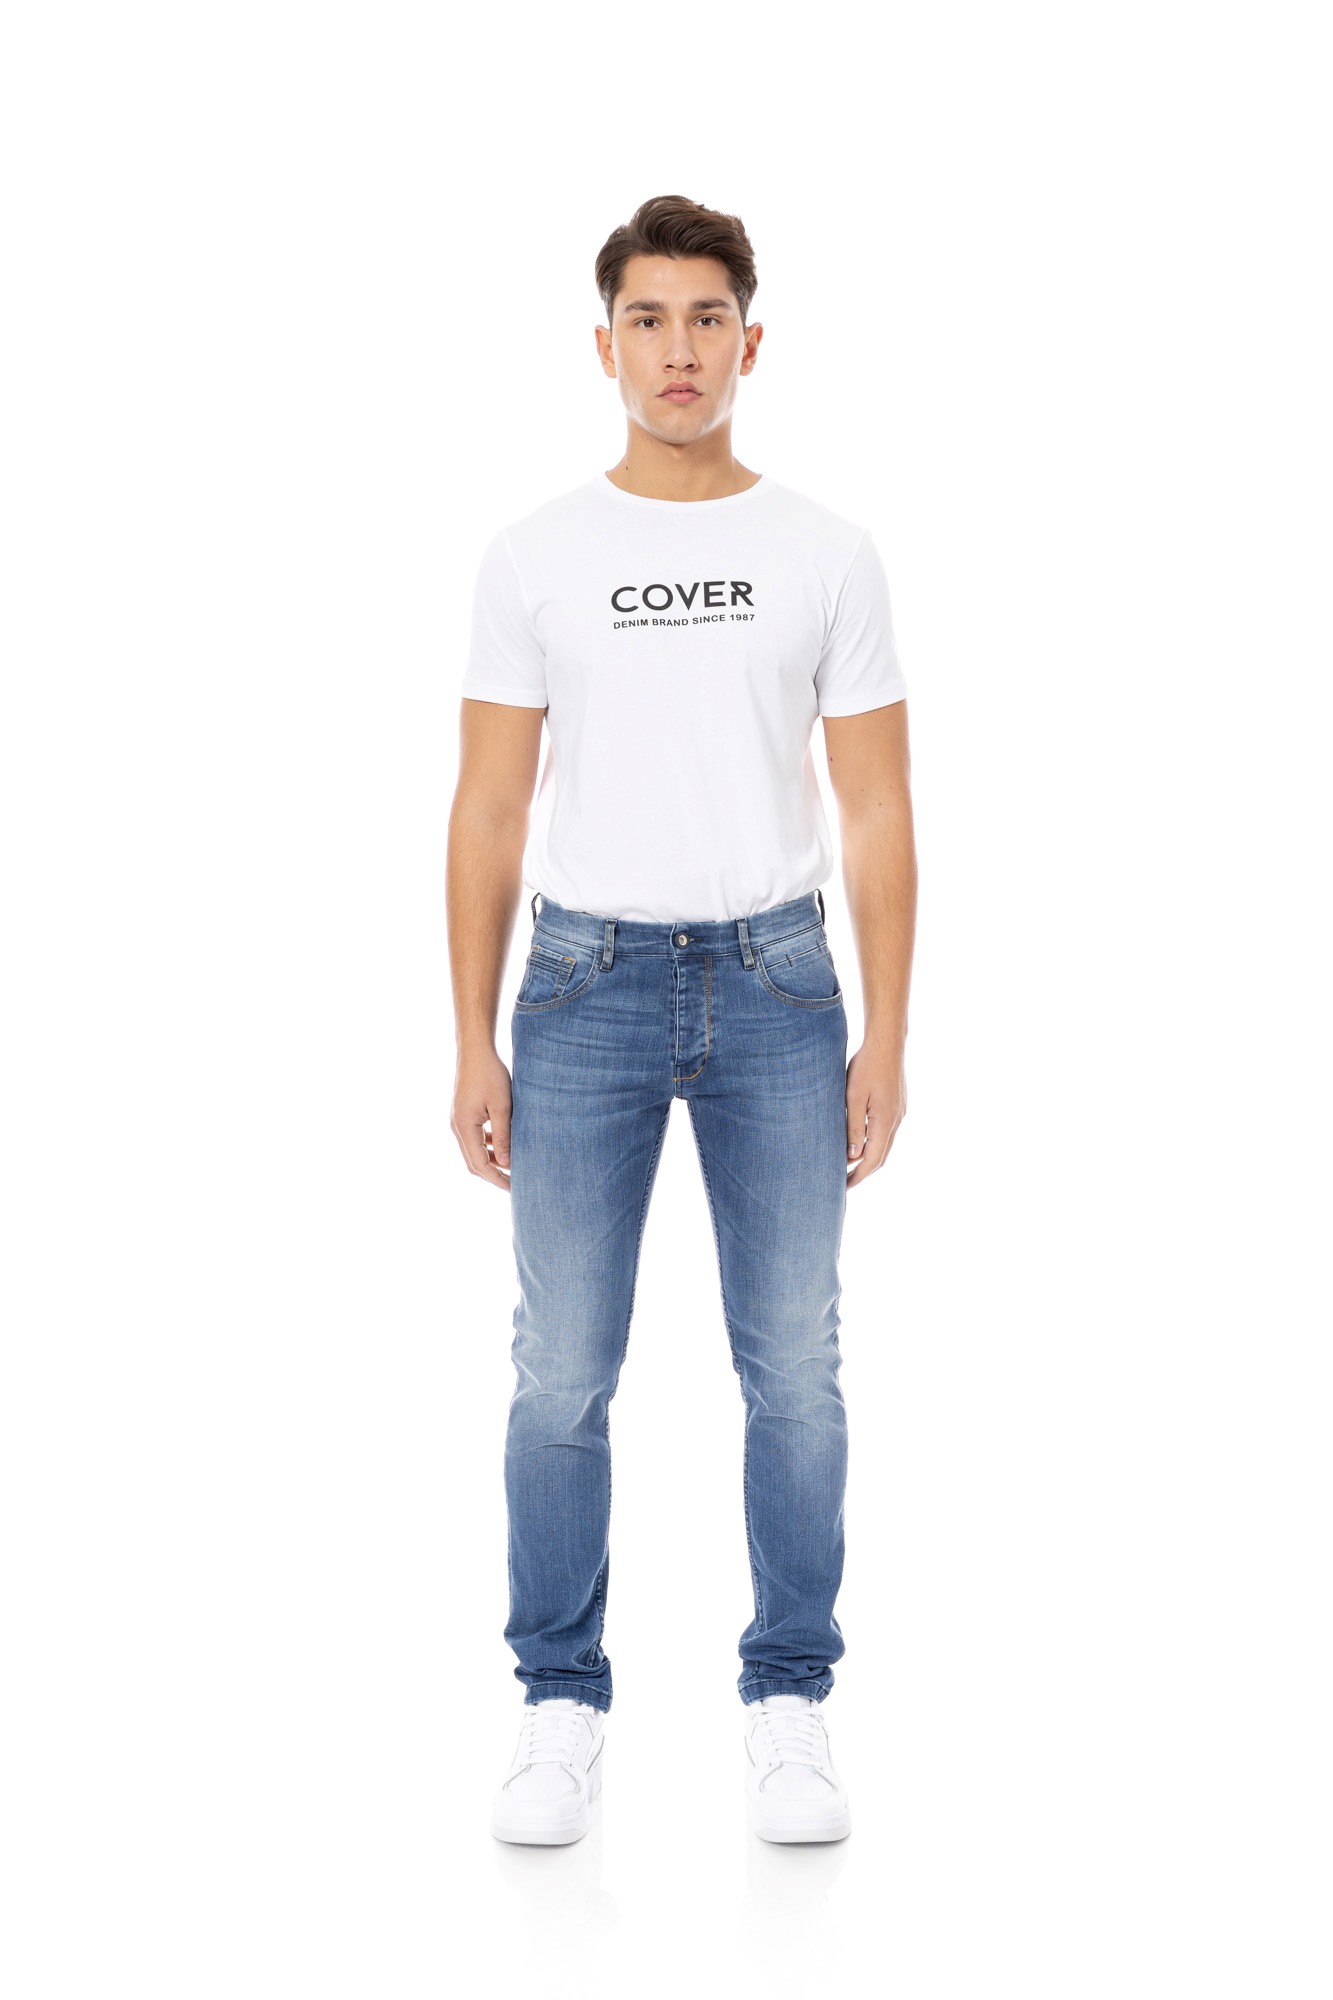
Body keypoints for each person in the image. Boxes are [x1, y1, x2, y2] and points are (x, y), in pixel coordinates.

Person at [447, 193, 917, 1846]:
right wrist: (471, 1034)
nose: (677, 349)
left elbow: (875, 809)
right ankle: (557, 1704)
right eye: (646, 319)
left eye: (705, 317)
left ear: (749, 342)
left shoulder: (826, 553)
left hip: (779, 985)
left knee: (794, 1368)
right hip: (581, 985)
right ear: (604, 345)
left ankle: (789, 1698)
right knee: (560, 1373)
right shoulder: (535, 557)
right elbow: (488, 809)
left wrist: (886, 1032)